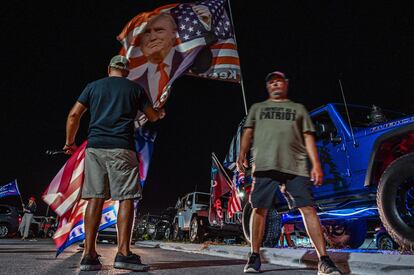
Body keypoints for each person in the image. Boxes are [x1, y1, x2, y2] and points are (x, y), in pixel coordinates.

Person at [63, 54, 165, 271]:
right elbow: (152, 117)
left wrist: (70, 142)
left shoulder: (92, 87)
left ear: (109, 69)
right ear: (126, 71)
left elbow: (74, 116)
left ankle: (88, 255)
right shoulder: (134, 89)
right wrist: (159, 112)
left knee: (95, 198)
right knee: (126, 198)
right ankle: (123, 253)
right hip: (122, 148)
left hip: (95, 148)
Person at [237, 71, 342, 275]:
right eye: (272, 82)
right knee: (259, 208)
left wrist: (316, 164)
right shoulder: (258, 109)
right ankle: (254, 256)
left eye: (279, 81)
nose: (276, 84)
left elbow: (308, 136)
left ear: (286, 84)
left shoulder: (298, 109)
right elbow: (248, 132)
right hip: (265, 165)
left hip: (295, 166)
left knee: (308, 208)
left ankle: (324, 259)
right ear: (268, 87)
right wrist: (242, 153)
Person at [137, 6, 212, 106]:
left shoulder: (183, 54)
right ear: (141, 46)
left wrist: (206, 23)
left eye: (159, 31)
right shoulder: (135, 77)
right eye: (147, 33)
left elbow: (203, 53)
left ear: (172, 35)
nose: (153, 37)